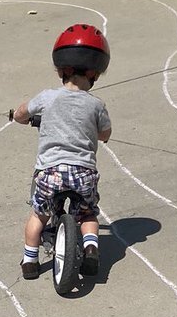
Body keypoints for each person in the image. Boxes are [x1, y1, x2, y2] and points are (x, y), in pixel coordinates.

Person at [10, 23, 112, 280]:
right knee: (87, 213)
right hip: (83, 173)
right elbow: (105, 133)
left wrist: (20, 118)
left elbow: (23, 112)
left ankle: (30, 261)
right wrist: (95, 133)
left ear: (60, 70)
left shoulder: (47, 97)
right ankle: (91, 248)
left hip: (51, 172)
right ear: (96, 74)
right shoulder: (96, 105)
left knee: (39, 215)